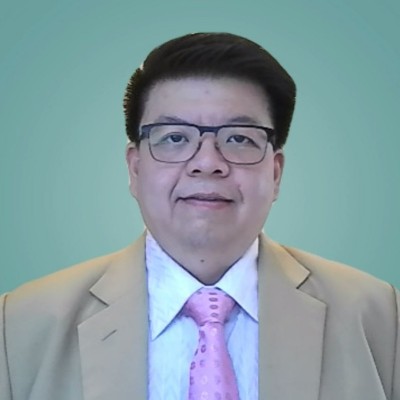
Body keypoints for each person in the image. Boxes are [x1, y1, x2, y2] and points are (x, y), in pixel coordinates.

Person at [0, 32, 399, 400]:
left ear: (275, 173)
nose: (207, 163)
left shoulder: (378, 315)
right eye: (175, 138)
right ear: (135, 169)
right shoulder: (20, 323)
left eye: (239, 138)